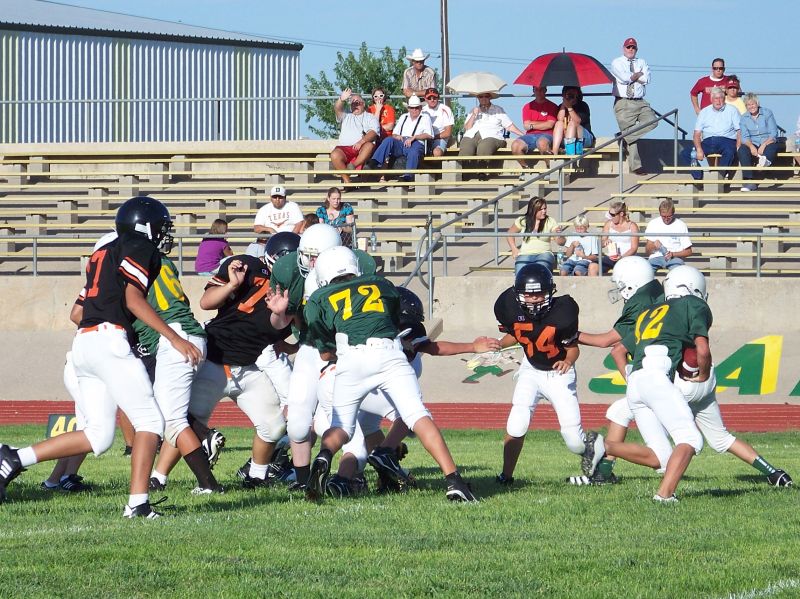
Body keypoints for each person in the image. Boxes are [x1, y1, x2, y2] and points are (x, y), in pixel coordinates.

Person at [0, 197, 203, 517]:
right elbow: (133, 299)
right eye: (162, 227)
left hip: (84, 343)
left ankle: (13, 458)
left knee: (98, 435)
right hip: (109, 340)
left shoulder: (103, 253)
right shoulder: (139, 246)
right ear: (143, 226)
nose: (165, 234)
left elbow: (78, 311)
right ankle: (138, 504)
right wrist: (175, 338)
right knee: (151, 421)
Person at [581, 260, 793, 490]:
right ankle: (775, 473)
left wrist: (634, 380)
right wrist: (704, 374)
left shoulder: (654, 311)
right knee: (721, 438)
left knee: (627, 416)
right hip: (704, 379)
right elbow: (699, 346)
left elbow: (618, 350)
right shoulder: (692, 304)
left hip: (678, 381)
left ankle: (613, 473)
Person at [304, 246, 477, 502]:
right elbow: (392, 320)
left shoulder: (318, 298)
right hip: (387, 353)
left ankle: (324, 456)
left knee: (341, 428)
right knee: (416, 415)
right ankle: (455, 481)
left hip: (350, 360)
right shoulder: (381, 284)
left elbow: (325, 352)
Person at [493, 263, 601, 486]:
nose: (533, 299)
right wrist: (499, 344)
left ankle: (601, 454)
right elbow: (518, 333)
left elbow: (573, 348)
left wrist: (567, 361)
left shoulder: (563, 311)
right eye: (528, 294)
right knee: (516, 424)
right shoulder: (509, 307)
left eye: (539, 293)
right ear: (518, 294)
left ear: (550, 291)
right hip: (531, 370)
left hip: (558, 374)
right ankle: (506, 476)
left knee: (574, 441)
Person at [610, 37, 658, 174]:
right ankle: (636, 166)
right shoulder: (617, 62)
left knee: (653, 121)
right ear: (623, 48)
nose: (631, 49)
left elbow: (647, 79)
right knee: (630, 131)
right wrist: (637, 75)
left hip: (640, 100)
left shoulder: (642, 61)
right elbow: (625, 78)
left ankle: (623, 137)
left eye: (633, 47)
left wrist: (634, 76)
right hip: (623, 101)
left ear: (636, 49)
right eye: (628, 47)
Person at [368, 95, 433, 182]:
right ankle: (374, 162)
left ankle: (408, 177)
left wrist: (415, 137)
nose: (414, 110)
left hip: (416, 143)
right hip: (401, 142)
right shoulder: (403, 117)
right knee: (388, 140)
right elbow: (394, 133)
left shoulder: (425, 118)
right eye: (412, 107)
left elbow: (429, 135)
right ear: (408, 108)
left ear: (420, 108)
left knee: (413, 152)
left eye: (417, 107)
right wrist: (397, 136)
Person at [681, 87, 741, 181]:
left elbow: (739, 130)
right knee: (686, 153)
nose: (718, 101)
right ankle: (698, 177)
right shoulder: (704, 112)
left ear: (724, 99)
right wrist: (699, 149)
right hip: (708, 142)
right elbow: (696, 134)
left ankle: (720, 176)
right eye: (716, 98)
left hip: (727, 140)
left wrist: (738, 146)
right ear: (711, 99)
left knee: (730, 151)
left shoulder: (732, 110)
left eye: (721, 98)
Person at [459, 93, 525, 177]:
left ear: (490, 97)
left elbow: (509, 126)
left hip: (493, 135)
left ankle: (481, 173)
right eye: (481, 96)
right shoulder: (473, 110)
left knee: (484, 146)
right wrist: (474, 115)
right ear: (478, 98)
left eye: (486, 96)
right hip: (472, 134)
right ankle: (462, 174)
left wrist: (522, 134)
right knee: (466, 147)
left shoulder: (498, 110)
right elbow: (467, 127)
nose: (483, 98)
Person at [329, 89, 380, 186]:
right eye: (353, 103)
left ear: (363, 104)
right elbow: (337, 108)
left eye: (358, 102)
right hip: (345, 148)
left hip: (362, 148)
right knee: (334, 154)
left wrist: (361, 142)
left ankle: (353, 166)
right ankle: (348, 182)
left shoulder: (370, 117)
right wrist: (341, 99)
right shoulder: (346, 115)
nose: (355, 105)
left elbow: (373, 132)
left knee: (369, 145)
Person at [507, 196, 562, 274]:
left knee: (541, 269)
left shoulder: (550, 221)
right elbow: (510, 233)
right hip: (525, 254)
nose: (544, 211)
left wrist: (559, 235)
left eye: (545, 208)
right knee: (520, 271)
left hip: (544, 253)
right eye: (541, 209)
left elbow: (560, 242)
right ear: (533, 209)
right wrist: (514, 249)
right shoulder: (522, 221)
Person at [737, 93, 779, 192]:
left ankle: (764, 163)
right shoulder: (744, 118)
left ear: (757, 104)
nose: (751, 106)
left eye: (753, 104)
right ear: (746, 106)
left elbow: (773, 133)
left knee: (771, 148)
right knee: (742, 150)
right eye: (748, 105)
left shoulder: (767, 113)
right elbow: (744, 137)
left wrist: (764, 145)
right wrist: (751, 146)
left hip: (768, 141)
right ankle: (749, 180)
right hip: (753, 142)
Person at [510, 85, 559, 169]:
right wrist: (543, 123)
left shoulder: (552, 106)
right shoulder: (527, 106)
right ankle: (526, 169)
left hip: (547, 134)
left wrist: (532, 125)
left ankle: (550, 169)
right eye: (536, 90)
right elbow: (526, 126)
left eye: (541, 90)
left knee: (542, 143)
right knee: (515, 145)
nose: (538, 92)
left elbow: (550, 125)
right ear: (533, 91)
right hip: (530, 136)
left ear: (545, 90)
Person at [644, 199, 692, 272]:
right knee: (644, 271)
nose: (666, 219)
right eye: (663, 216)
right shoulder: (653, 223)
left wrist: (672, 254)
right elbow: (647, 251)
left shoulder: (681, 225)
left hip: (674, 258)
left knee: (678, 273)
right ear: (660, 213)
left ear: (673, 213)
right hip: (656, 257)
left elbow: (688, 251)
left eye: (669, 216)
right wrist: (653, 246)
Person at [551, 86, 594, 156]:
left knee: (572, 123)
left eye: (573, 94)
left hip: (583, 137)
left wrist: (569, 108)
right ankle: (554, 151)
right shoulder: (561, 106)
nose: (571, 96)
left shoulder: (583, 105)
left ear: (577, 94)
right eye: (568, 94)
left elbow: (578, 121)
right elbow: (560, 119)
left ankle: (570, 154)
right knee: (559, 123)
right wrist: (564, 105)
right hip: (566, 137)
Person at [600, 200, 639, 273]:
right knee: (593, 267)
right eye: (609, 214)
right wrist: (604, 242)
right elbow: (601, 243)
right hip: (611, 257)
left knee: (624, 270)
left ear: (621, 214)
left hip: (628, 258)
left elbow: (634, 248)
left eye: (612, 215)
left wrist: (622, 257)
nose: (610, 217)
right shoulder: (608, 224)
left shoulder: (632, 226)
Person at [421, 88, 454, 156]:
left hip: (440, 138)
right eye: (429, 98)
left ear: (438, 98)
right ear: (425, 99)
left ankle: (434, 162)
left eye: (434, 98)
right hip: (425, 138)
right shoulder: (422, 111)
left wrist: (433, 137)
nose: (432, 100)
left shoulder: (445, 109)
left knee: (437, 152)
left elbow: (448, 133)